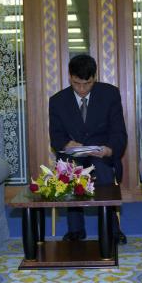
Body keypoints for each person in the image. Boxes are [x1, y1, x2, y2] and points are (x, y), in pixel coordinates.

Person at [49, 54, 128, 244]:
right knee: (70, 170)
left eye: (88, 84)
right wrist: (67, 144)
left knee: (101, 169)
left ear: (95, 77)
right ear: (70, 77)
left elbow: (119, 132)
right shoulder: (58, 101)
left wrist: (109, 149)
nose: (82, 89)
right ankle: (76, 230)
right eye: (77, 84)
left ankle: (111, 229)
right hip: (73, 155)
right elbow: (56, 136)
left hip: (101, 155)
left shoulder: (110, 94)